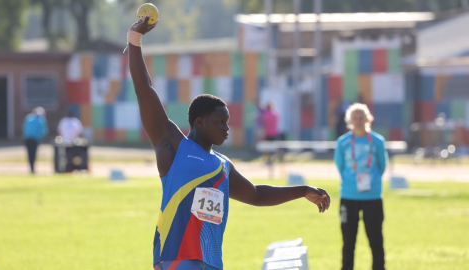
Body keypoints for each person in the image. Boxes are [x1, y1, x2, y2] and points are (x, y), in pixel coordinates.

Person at [128, 15, 331, 270]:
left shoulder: (223, 166)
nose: (227, 128)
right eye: (220, 122)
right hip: (176, 260)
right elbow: (144, 89)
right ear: (199, 122)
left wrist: (302, 190)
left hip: (211, 263)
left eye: (228, 122)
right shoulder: (173, 146)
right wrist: (135, 40)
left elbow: (256, 194)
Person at [334, 103, 388, 270]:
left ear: (368, 119)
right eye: (355, 118)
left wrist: (372, 181)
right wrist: (351, 182)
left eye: (361, 118)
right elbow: (340, 165)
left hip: (372, 196)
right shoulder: (343, 142)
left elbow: (382, 165)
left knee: (376, 239)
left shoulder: (378, 141)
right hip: (349, 195)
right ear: (349, 120)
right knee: (348, 240)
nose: (358, 121)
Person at [22, 107, 48, 174]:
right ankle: (32, 168)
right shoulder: (41, 120)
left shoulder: (28, 118)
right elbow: (44, 131)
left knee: (29, 154)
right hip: (35, 139)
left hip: (27, 139)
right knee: (33, 154)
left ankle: (31, 168)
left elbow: (24, 127)